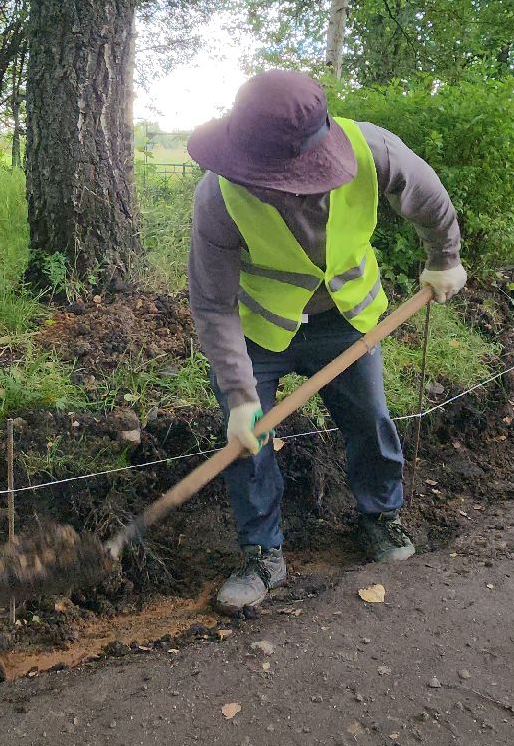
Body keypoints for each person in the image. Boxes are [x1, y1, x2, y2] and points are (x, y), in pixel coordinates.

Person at [185, 69, 465, 615]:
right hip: (259, 330)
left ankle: (379, 516)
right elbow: (213, 305)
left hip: (348, 321)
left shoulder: (373, 151)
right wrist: (241, 397)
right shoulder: (218, 194)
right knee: (247, 441)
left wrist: (445, 259)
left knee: (369, 419)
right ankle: (262, 552)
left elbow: (431, 203)